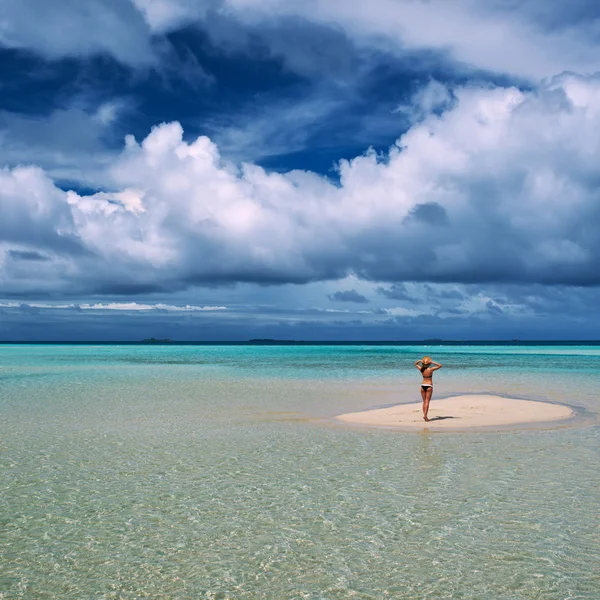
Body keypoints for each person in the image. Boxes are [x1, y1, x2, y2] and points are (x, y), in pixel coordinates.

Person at [414, 356, 442, 422]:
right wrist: (432, 362)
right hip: (429, 385)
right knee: (427, 401)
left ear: (423, 363)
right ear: (429, 363)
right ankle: (425, 416)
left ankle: (424, 414)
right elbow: (440, 365)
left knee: (424, 401)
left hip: (422, 385)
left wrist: (420, 360)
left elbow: (415, 364)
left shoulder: (421, 369)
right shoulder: (431, 369)